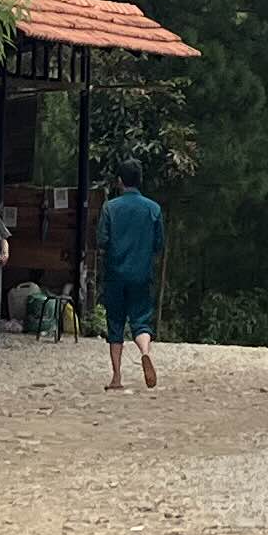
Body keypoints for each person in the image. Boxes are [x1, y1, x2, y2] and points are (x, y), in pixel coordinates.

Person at [98, 159, 164, 391]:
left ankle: (116, 377)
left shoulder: (110, 208)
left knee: (115, 324)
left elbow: (102, 240)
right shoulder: (153, 209)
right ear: (140, 180)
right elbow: (158, 244)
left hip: (115, 274)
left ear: (119, 181)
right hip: (142, 274)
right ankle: (145, 352)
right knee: (141, 320)